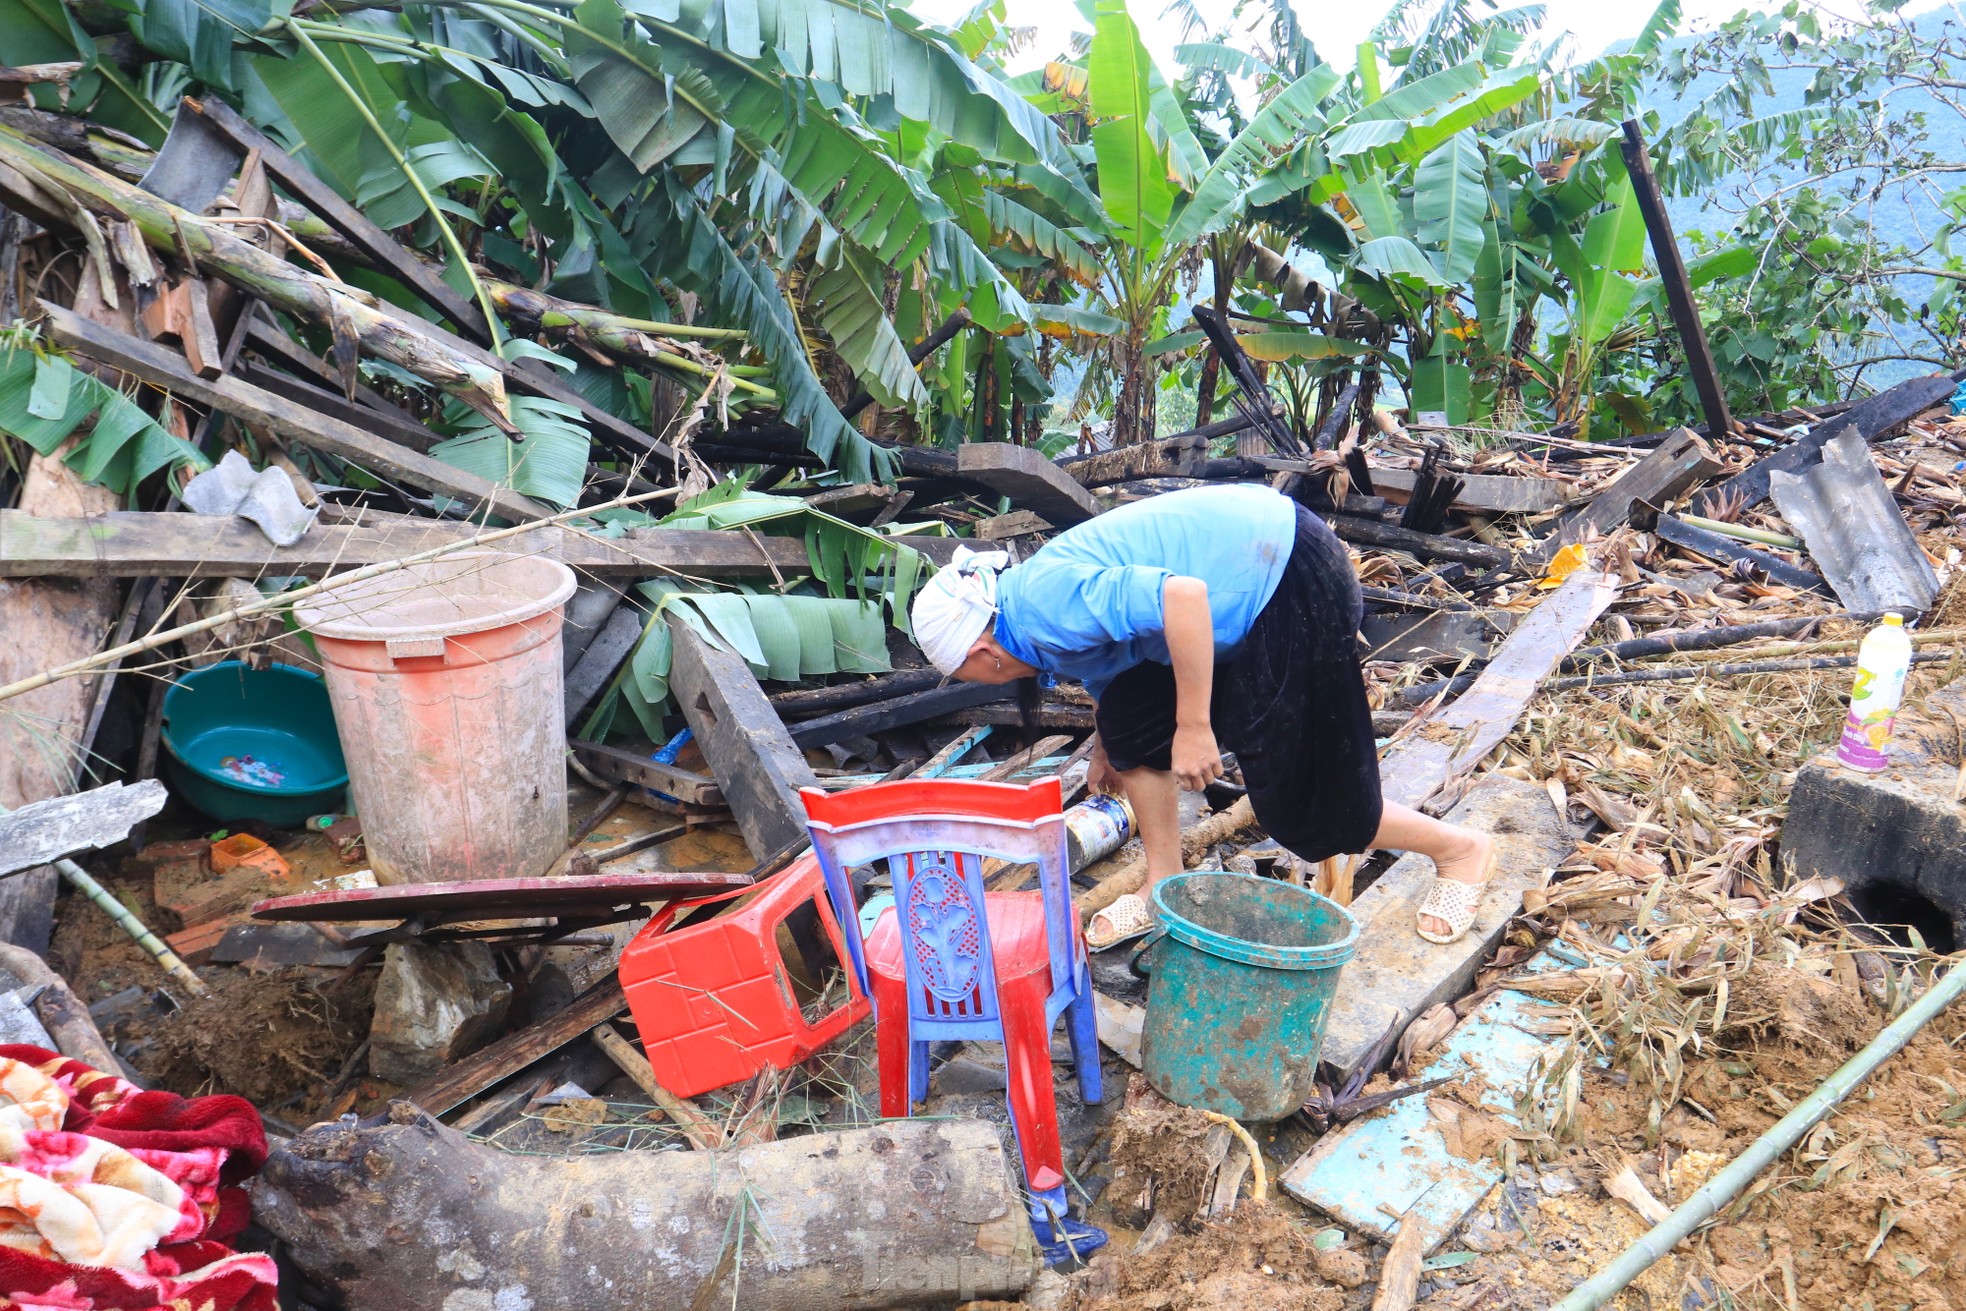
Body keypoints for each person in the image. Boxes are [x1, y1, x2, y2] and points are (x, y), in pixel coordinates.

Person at [908, 483, 1493, 946]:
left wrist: (1193, 727)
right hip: (1252, 578)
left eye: (971, 676)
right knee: (1133, 723)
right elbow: (1115, 670)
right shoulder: (1029, 626)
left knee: (1299, 799)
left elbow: (1181, 598)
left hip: (1286, 578)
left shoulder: (1038, 609)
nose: (985, 683)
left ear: (982, 652)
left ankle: (1458, 850)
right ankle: (1164, 880)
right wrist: (1111, 746)